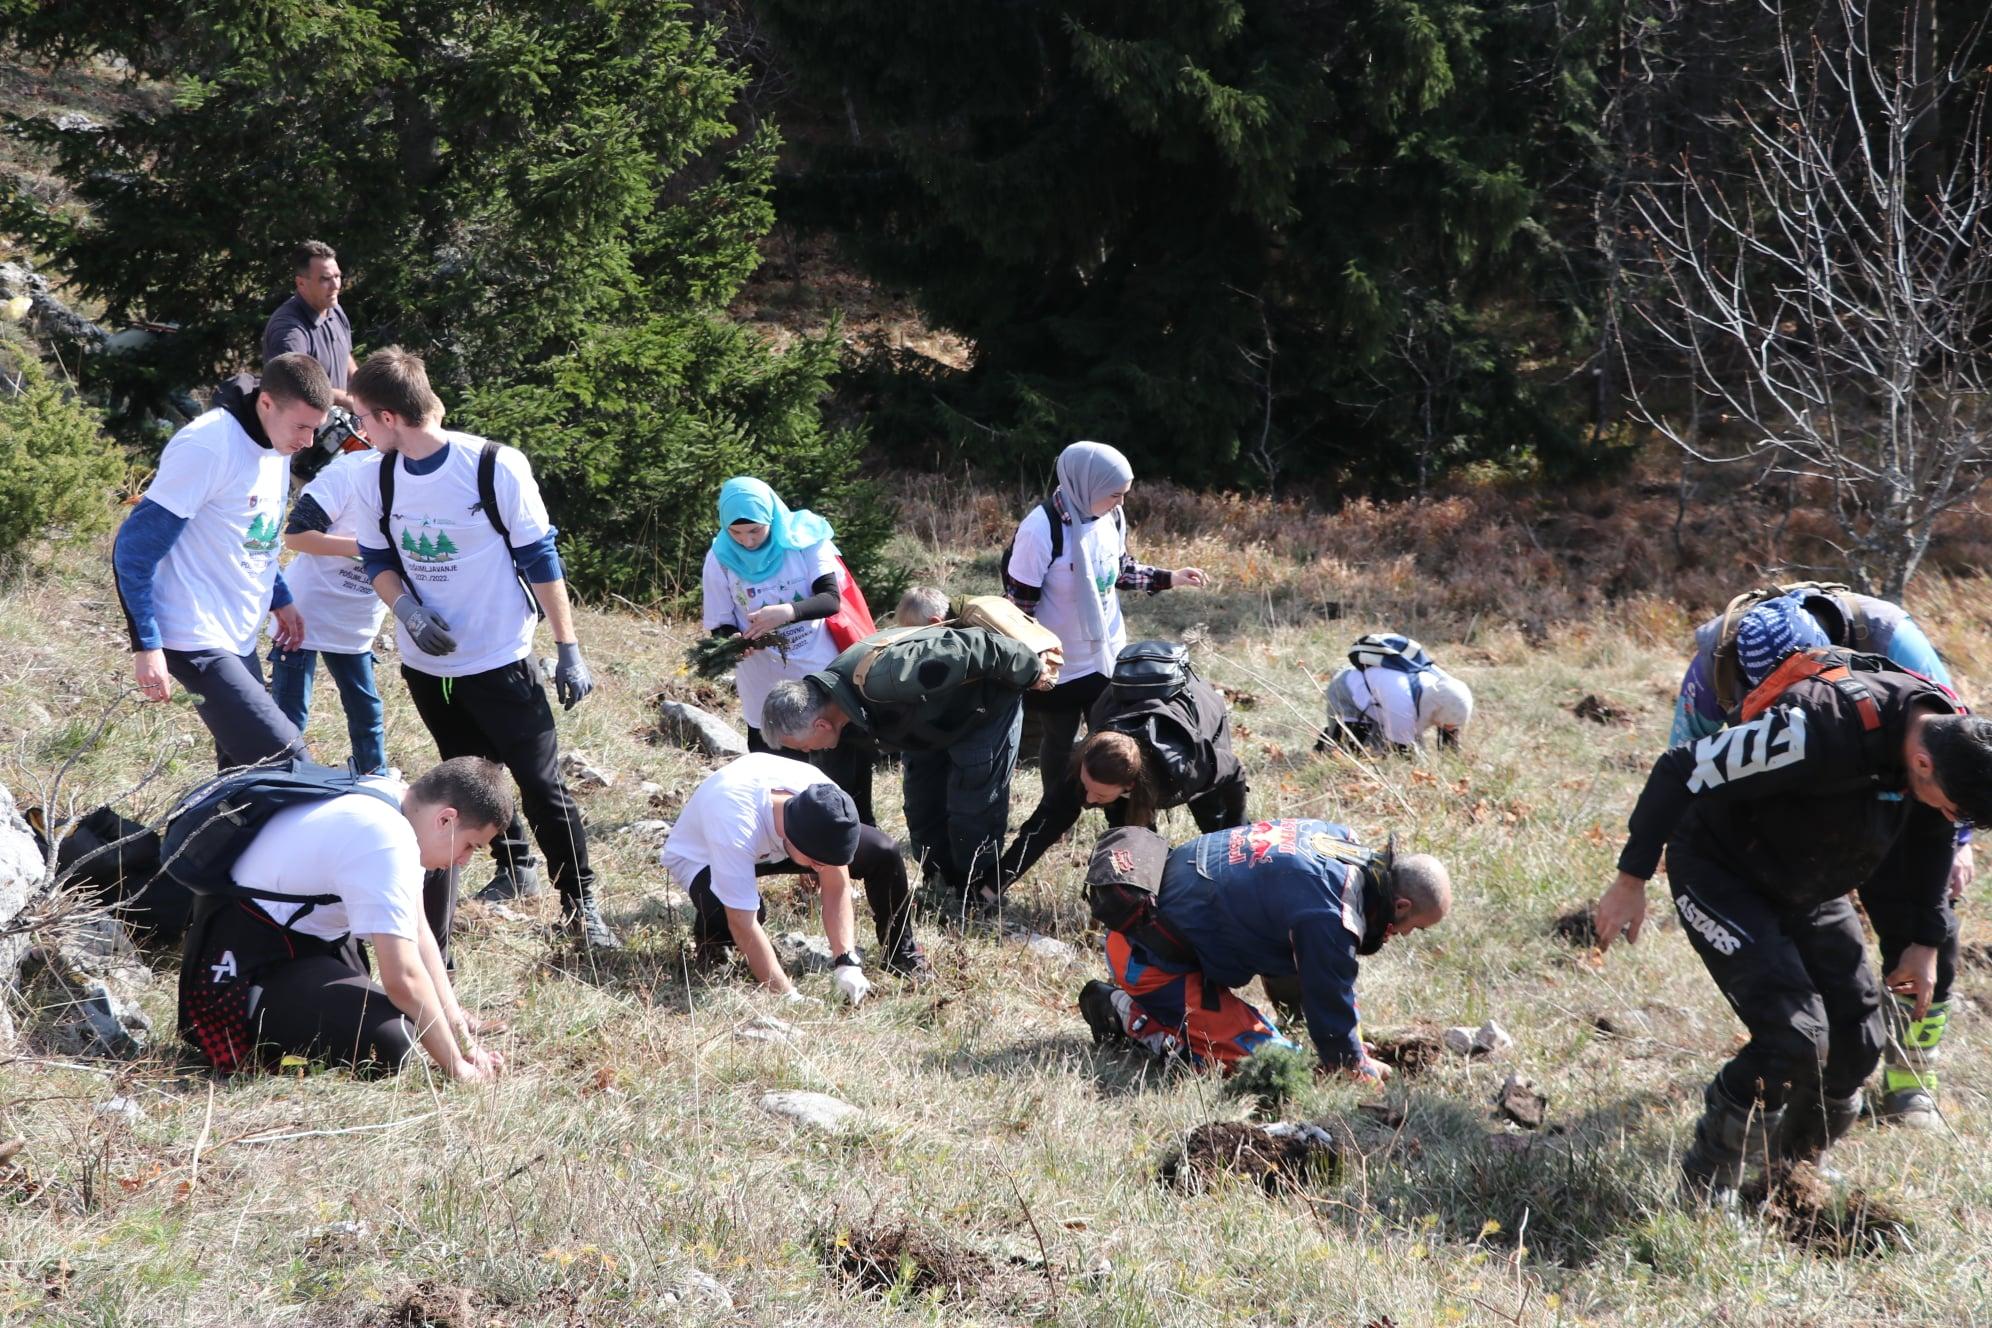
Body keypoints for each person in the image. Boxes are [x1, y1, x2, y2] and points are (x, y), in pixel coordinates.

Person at [1593, 642, 1992, 1199]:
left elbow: (1931, 832)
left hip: (1809, 883)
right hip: (1722, 872)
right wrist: (1631, 880)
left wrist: (1924, 941)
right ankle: (1708, 1188)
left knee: (1858, 1037)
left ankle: (1791, 1175)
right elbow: (1680, 767)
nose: (1951, 818)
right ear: (1921, 763)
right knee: (1795, 1037)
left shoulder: (1945, 734)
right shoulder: (1815, 730)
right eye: (1951, 805)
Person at [348, 347, 619, 949]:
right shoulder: (375, 475)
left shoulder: (493, 466)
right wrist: (408, 611)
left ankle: (581, 903)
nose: (359, 430)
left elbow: (540, 556)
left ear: (390, 416)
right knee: (469, 779)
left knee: (542, 786)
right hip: (428, 667)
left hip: (500, 658)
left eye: (362, 417)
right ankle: (513, 866)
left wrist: (567, 646)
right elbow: (376, 558)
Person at [1673, 589, 1972, 1128]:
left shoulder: (1898, 646)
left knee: (1930, 915)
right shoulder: (1714, 668)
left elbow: (1958, 756)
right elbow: (1686, 769)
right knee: (1815, 1008)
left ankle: (1909, 1078)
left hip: (1910, 790)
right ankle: (1808, 1069)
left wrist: (1960, 848)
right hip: (1802, 809)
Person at [178, 757, 513, 1081]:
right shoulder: (386, 839)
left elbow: (419, 932)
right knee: (392, 1039)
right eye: (470, 845)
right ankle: (247, 1025)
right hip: (244, 963)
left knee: (398, 1021)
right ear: (445, 819)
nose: (464, 861)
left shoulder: (393, 799)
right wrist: (457, 1067)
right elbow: (404, 979)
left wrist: (462, 1040)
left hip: (304, 943)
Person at [1075, 822, 1451, 1075]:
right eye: (1413, 928)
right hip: (1148, 961)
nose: (1403, 936)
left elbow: (1299, 949)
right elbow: (1329, 989)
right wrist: (1353, 1065)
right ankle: (1125, 1014)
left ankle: (1270, 1022)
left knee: (1288, 1033)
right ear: (1400, 906)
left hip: (1161, 913)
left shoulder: (1336, 838)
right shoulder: (1331, 915)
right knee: (1271, 1062)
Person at [113, 353, 332, 769]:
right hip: (193, 635)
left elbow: (252, 531)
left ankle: (205, 834)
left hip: (238, 633)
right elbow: (133, 550)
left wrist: (279, 596)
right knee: (284, 763)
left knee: (241, 779)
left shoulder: (278, 442)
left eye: (314, 428)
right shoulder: (209, 446)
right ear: (266, 403)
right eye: (301, 427)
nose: (307, 441)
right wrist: (147, 645)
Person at [761, 625, 1056, 905]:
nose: (808, 752)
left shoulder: (889, 676)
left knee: (973, 802)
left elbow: (976, 646)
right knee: (922, 804)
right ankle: (940, 881)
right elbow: (836, 795)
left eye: (803, 746)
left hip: (984, 710)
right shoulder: (835, 713)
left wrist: (1032, 670)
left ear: (821, 724)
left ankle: (974, 892)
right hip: (929, 724)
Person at [1003, 441, 1206, 776]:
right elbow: (1019, 608)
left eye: (1124, 493)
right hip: (1060, 665)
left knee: (1113, 739)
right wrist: (1036, 660)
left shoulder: (1111, 516)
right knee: (1058, 742)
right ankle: (1057, 816)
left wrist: (1171, 578)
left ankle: (1116, 815)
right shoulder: (1040, 530)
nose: (1121, 502)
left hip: (1105, 658)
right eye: (1114, 494)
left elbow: (1121, 571)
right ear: (1087, 486)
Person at [660, 753, 928, 998]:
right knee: (733, 910)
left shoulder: (824, 802)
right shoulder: (735, 826)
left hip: (780, 844)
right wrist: (788, 995)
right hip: (703, 855)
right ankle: (713, 942)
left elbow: (837, 884)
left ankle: (900, 953)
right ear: (793, 840)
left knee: (883, 852)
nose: (820, 871)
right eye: (816, 863)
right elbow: (743, 922)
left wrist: (846, 961)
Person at [999, 645, 1248, 887]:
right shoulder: (1091, 762)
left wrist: (1236, 828)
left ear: (1130, 784)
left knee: (1213, 821)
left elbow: (1234, 770)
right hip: (1115, 705)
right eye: (1088, 787)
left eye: (1098, 794)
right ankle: (1145, 897)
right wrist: (993, 885)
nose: (1089, 798)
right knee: (1127, 836)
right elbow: (1045, 825)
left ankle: (1236, 884)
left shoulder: (1187, 767)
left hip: (1200, 716)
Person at [700, 478, 849, 752]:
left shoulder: (805, 539)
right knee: (774, 757)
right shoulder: (719, 557)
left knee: (831, 752)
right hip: (763, 678)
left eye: (756, 530)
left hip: (816, 669)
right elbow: (720, 623)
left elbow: (830, 599)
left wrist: (787, 612)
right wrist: (733, 643)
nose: (747, 541)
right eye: (736, 533)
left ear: (771, 516)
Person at [271, 445, 390, 774]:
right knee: (291, 713)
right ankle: (282, 778)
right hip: (306, 612)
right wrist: (368, 548)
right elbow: (296, 536)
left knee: (366, 710)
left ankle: (373, 780)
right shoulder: (350, 472)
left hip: (357, 620)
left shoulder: (427, 482)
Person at [1321, 633, 1474, 752]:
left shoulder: (1447, 691)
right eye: (1447, 725)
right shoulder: (1402, 702)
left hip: (1381, 699)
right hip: (1348, 692)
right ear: (1435, 709)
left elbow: (1449, 745)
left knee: (1396, 744)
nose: (1449, 729)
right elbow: (1400, 753)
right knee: (1350, 752)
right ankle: (1323, 746)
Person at [263, 240, 359, 410]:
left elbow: (346, 356)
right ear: (301, 283)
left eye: (337, 276)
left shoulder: (335, 310)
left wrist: (364, 390)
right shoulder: (289, 330)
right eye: (325, 279)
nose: (335, 285)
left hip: (340, 428)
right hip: (305, 431)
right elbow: (294, 387)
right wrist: (346, 399)